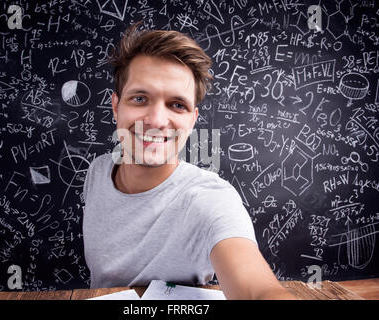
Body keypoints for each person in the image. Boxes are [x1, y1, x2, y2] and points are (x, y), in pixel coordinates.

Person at [82, 22, 296, 300]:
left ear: (193, 120)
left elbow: (258, 290)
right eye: (139, 98)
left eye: (177, 105)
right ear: (115, 106)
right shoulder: (97, 172)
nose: (157, 121)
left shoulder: (208, 198)